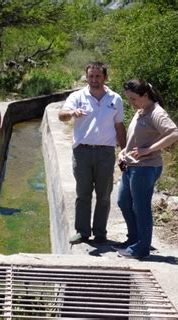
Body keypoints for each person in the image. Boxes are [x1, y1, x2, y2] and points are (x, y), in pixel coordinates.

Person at [59, 62, 126, 245]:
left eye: (98, 76)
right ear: (86, 76)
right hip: (83, 152)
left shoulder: (115, 99)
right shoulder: (77, 96)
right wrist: (71, 112)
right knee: (83, 194)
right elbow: (62, 115)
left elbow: (119, 126)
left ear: (105, 77)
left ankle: (100, 233)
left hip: (106, 152)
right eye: (90, 76)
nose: (94, 80)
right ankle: (82, 232)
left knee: (104, 194)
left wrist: (124, 149)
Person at [114, 79, 178, 259]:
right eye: (128, 99)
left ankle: (142, 249)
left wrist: (149, 150)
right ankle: (135, 240)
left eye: (134, 99)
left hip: (145, 168)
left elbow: (174, 133)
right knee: (123, 202)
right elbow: (136, 138)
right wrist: (123, 153)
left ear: (145, 95)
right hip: (131, 166)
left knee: (141, 208)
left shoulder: (156, 113)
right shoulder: (141, 110)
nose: (131, 103)